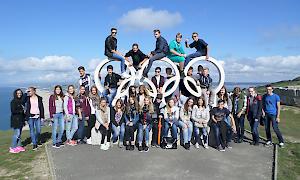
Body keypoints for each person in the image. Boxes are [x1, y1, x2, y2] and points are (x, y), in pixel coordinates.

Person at [9, 89, 26, 153]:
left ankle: (19, 146)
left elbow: (25, 96)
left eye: (20, 93)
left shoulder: (21, 101)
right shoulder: (13, 101)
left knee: (19, 134)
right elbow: (13, 111)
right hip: (16, 120)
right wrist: (21, 111)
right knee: (17, 133)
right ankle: (12, 147)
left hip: (21, 119)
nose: (19, 94)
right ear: (15, 94)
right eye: (18, 93)